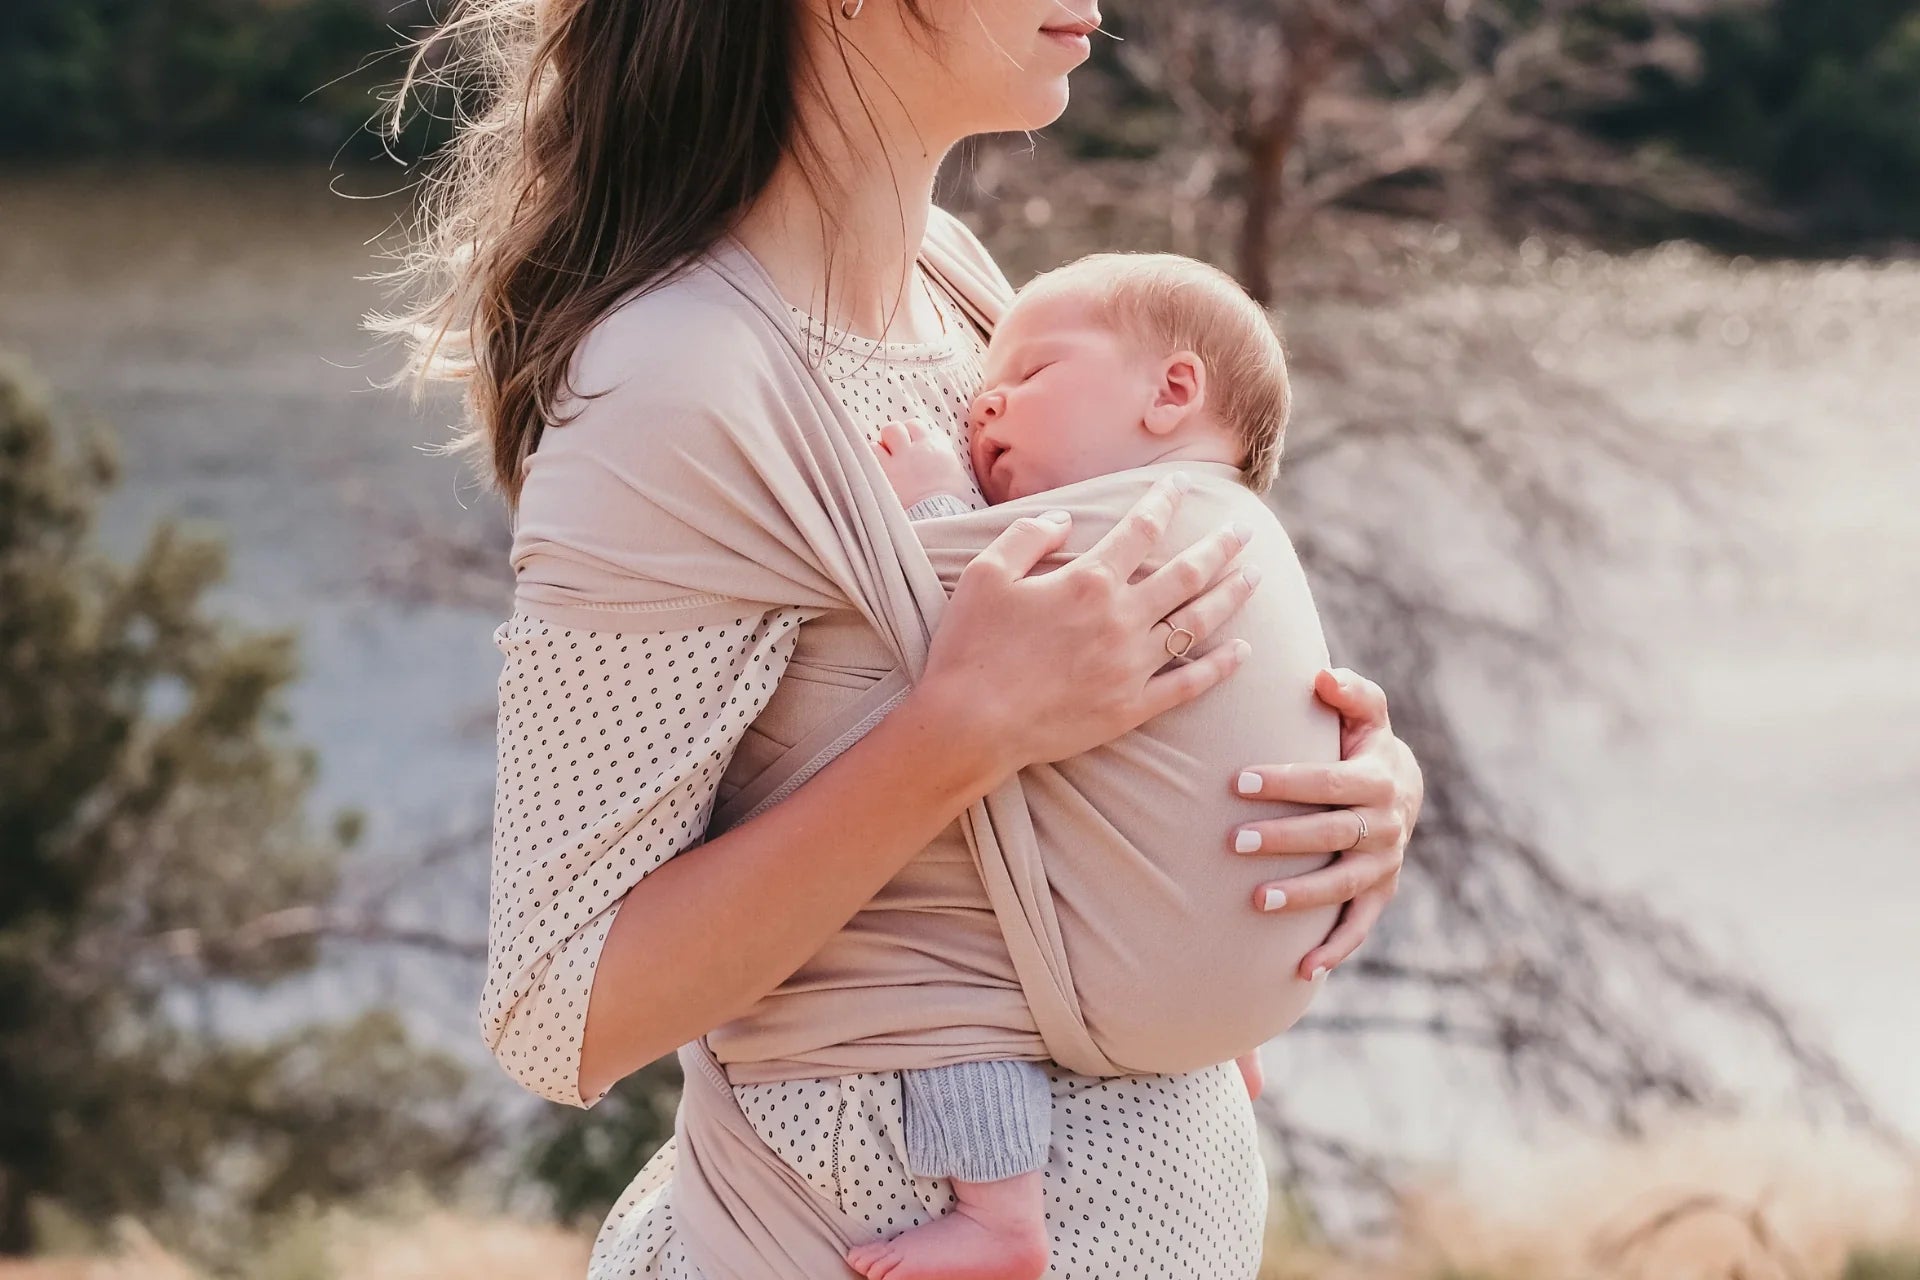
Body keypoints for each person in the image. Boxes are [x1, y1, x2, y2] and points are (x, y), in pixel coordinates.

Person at [380, 2, 1425, 1276]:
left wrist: (1324, 782)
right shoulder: (678, 380)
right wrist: (959, 730)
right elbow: (561, 1005)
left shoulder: (958, 290)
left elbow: (1070, 730)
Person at [863, 249, 1311, 1279]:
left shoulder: (1144, 522)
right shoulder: (1249, 536)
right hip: (1240, 983)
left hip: (1151, 986)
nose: (987, 405)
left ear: (1172, 390)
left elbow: (965, 626)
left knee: (928, 930)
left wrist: (934, 499)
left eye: (1030, 374)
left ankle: (997, 1211)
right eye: (984, 389)